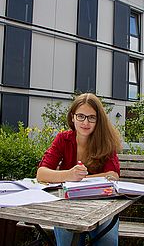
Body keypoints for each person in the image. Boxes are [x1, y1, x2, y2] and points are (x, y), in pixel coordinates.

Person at [37, 93, 122, 246]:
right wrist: (69, 174)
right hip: (68, 205)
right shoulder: (63, 139)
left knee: (107, 242)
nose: (85, 122)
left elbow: (113, 175)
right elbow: (41, 173)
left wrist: (77, 179)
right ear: (72, 117)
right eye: (81, 116)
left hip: (102, 205)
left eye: (91, 117)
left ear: (98, 120)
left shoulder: (106, 141)